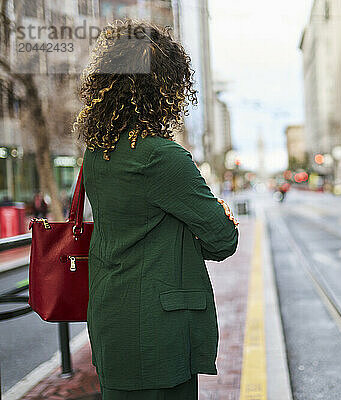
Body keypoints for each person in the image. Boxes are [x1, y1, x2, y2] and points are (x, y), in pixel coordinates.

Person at [73, 20, 239, 399]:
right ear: (166, 87)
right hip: (158, 335)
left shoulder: (98, 154)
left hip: (111, 322)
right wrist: (215, 215)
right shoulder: (162, 158)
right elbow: (222, 240)